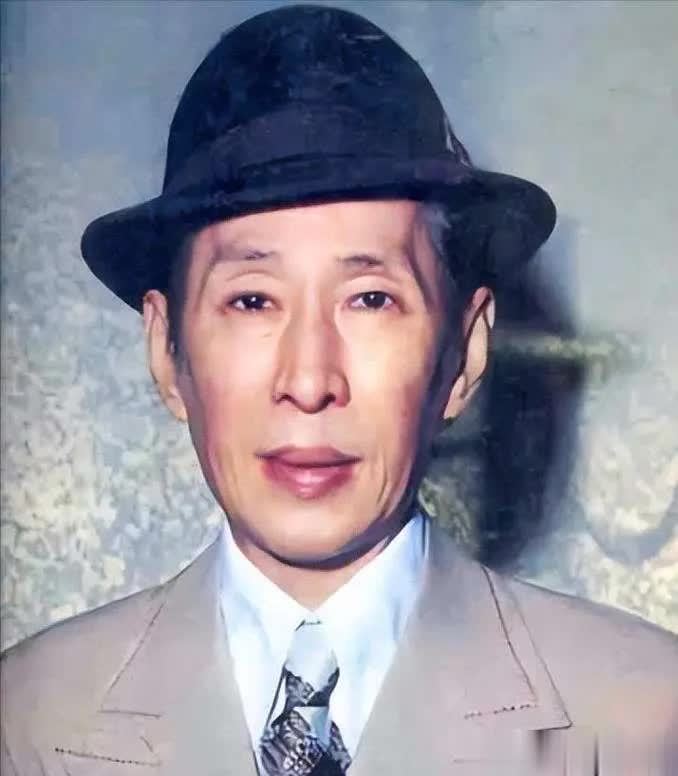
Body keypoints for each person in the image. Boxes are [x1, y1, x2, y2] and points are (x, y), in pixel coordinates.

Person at [1, 5, 676, 775]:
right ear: (166, 348)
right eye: (252, 300)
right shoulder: (29, 724)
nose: (309, 380)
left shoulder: (643, 725)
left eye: (371, 299)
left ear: (464, 350)